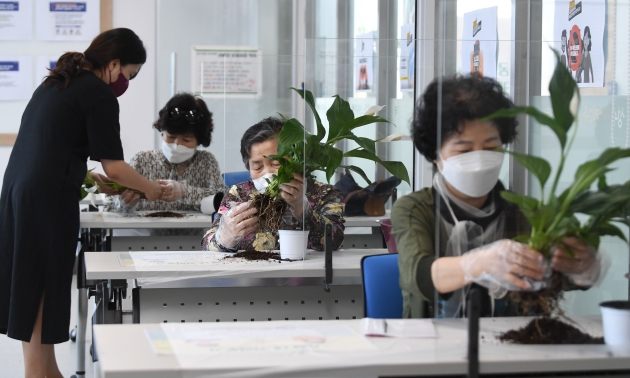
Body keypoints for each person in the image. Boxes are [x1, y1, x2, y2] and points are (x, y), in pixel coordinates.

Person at [0, 28, 163, 377]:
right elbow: (115, 165)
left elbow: (52, 147)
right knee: (43, 287)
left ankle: (47, 372)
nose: (125, 83)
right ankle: (34, 374)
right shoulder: (99, 94)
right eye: (129, 75)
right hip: (46, 200)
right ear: (115, 63)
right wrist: (151, 188)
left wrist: (87, 178)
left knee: (32, 283)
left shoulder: (58, 83)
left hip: (19, 192)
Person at [392, 75, 603, 319]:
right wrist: (478, 264)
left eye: (492, 147)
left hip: (516, 344)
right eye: (464, 150)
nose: (480, 159)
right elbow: (417, 274)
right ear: (434, 154)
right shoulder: (415, 209)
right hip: (432, 345)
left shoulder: (528, 212)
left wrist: (582, 266)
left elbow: (564, 277)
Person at [202, 117, 345, 252]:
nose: (268, 173)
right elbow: (207, 245)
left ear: (297, 160)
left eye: (277, 163)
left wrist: (303, 209)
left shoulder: (324, 194)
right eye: (257, 167)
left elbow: (334, 241)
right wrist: (225, 238)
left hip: (308, 275)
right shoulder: (240, 194)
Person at [103, 92, 227, 234]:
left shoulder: (206, 163)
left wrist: (185, 192)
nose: (176, 145)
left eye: (186, 140)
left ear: (199, 141)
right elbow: (109, 207)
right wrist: (124, 203)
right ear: (162, 131)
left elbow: (224, 203)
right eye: (171, 137)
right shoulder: (142, 161)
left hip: (193, 245)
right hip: (143, 244)